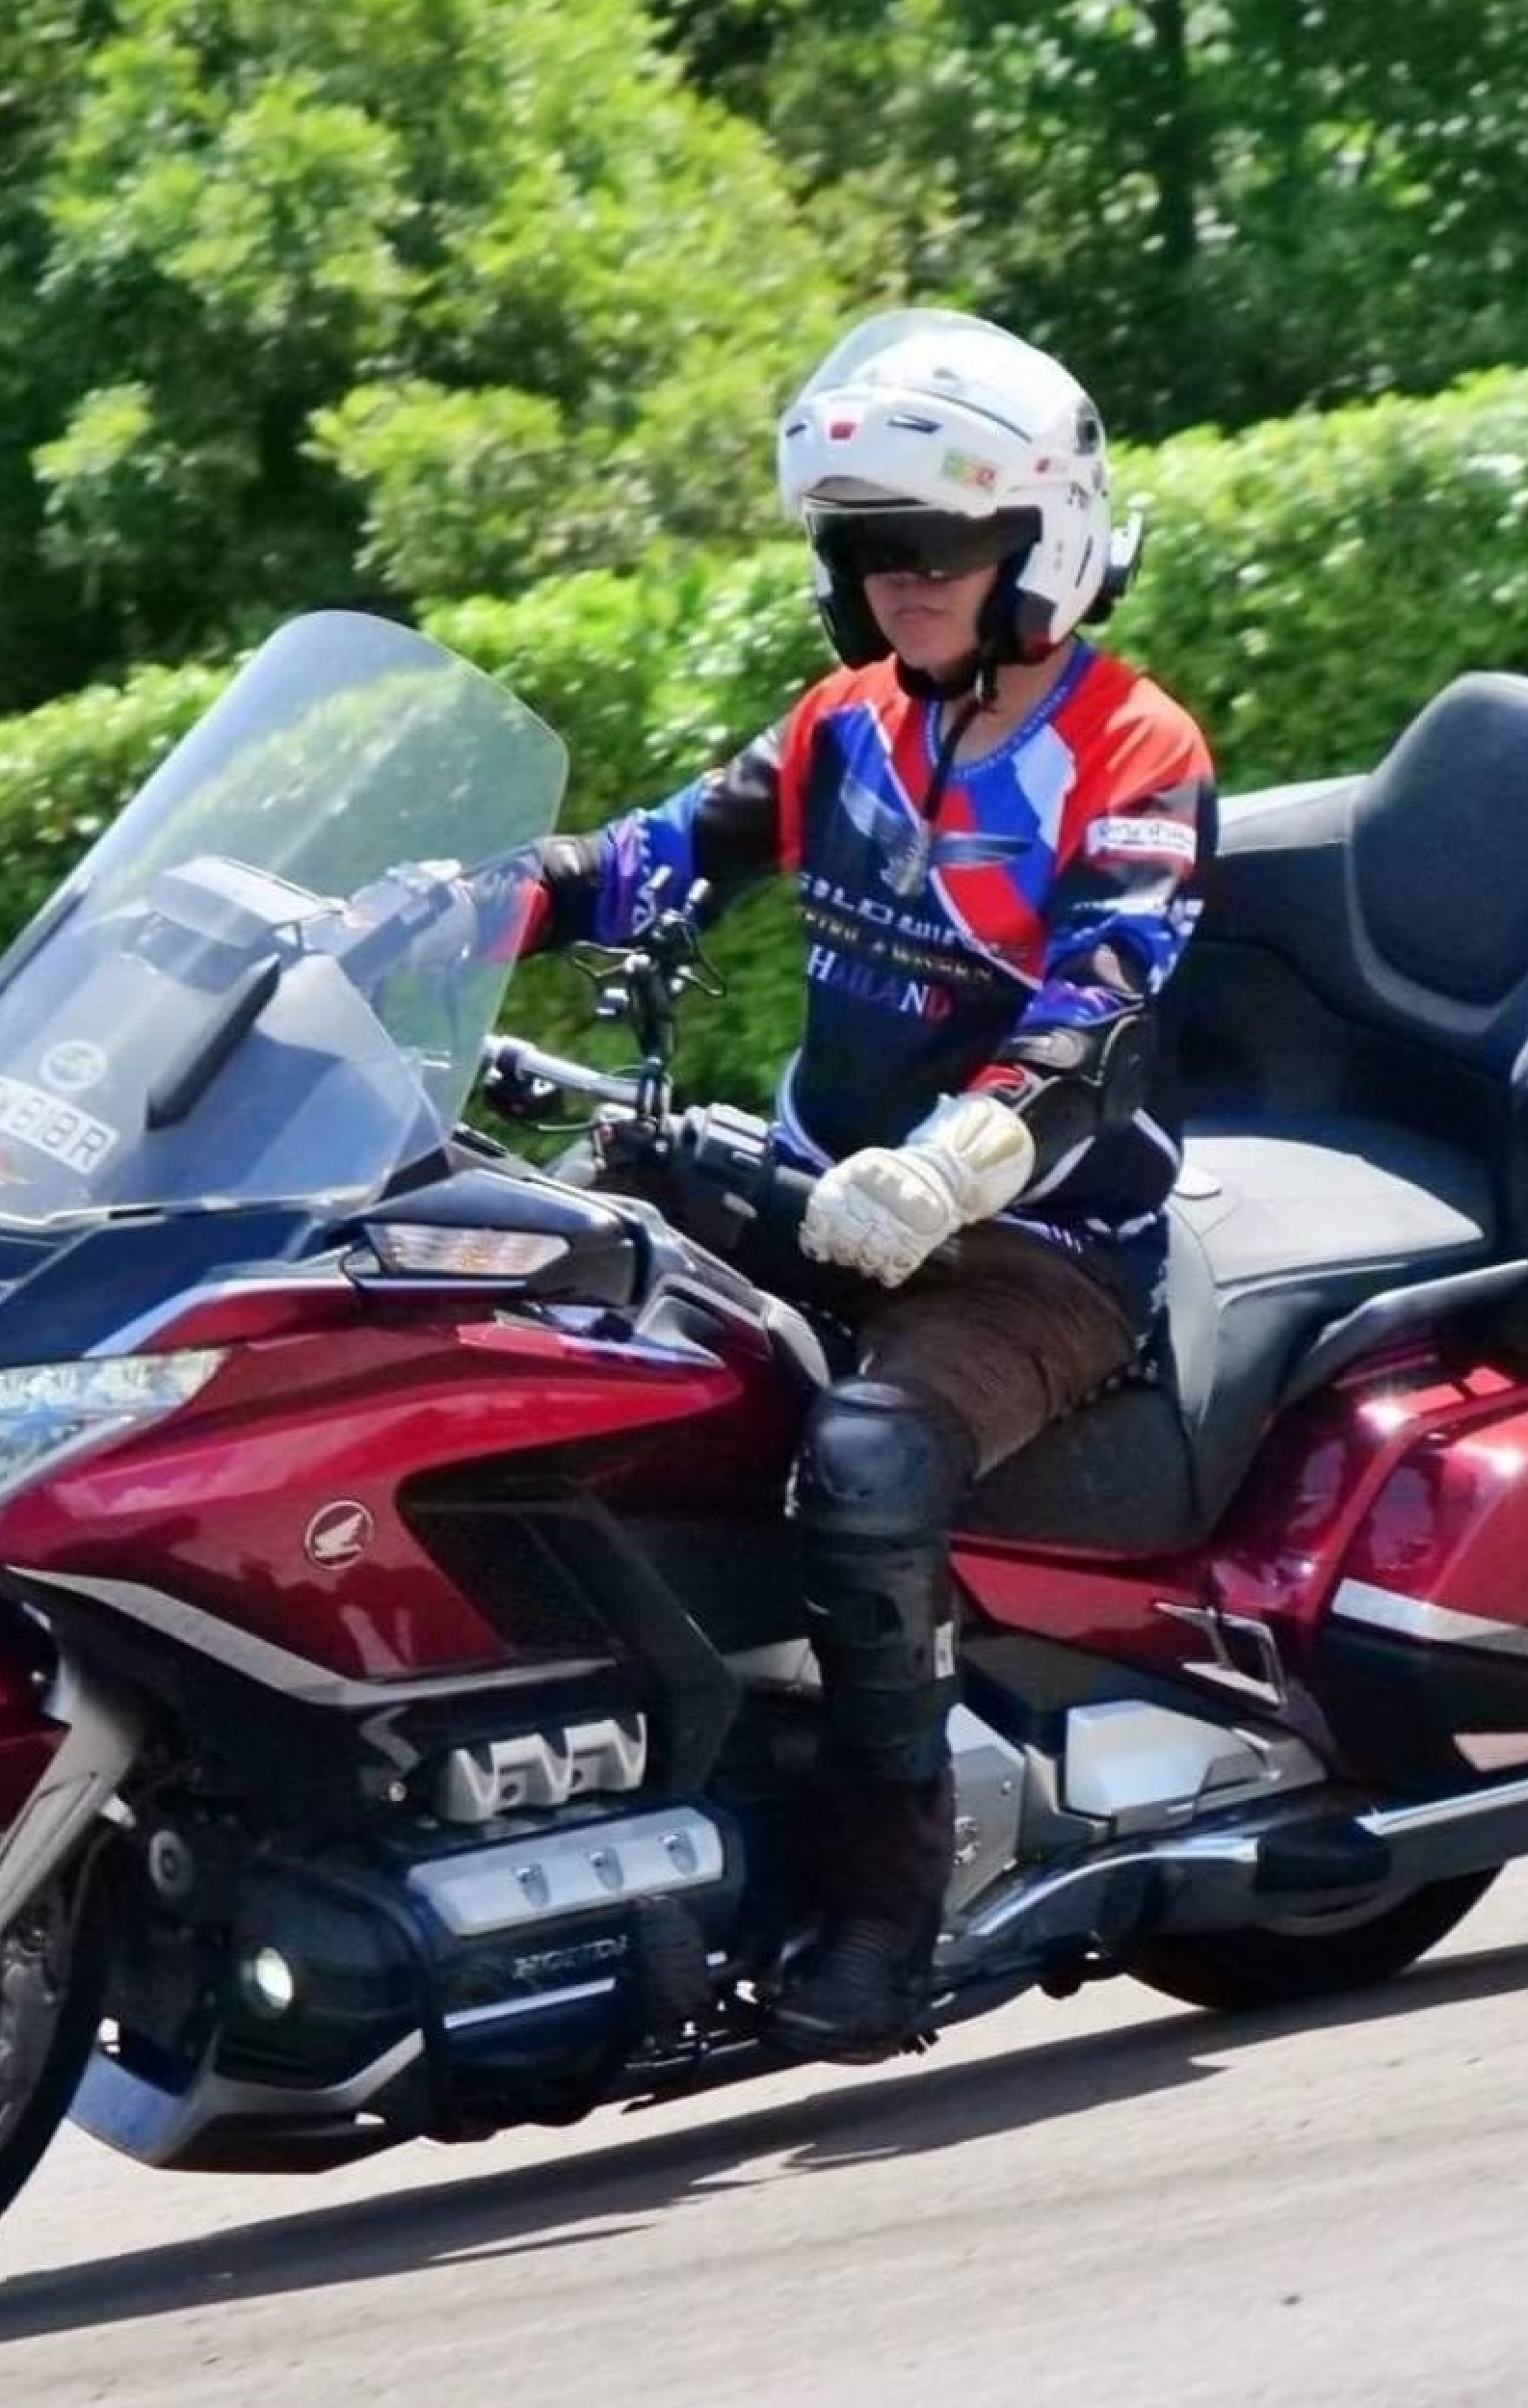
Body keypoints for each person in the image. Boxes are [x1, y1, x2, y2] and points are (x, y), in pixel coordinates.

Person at [501, 309, 1217, 2061]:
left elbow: (1098, 1019)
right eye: (866, 545)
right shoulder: (842, 727)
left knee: (869, 1463)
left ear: (1038, 545)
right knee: (524, 1307)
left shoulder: (1135, 750)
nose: (899, 579)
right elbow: (652, 860)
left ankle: (890, 1909)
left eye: (939, 543)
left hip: (1043, 1243)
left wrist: (952, 1167)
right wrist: (429, 913)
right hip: (820, 1188)